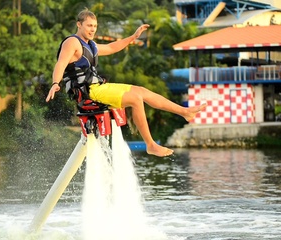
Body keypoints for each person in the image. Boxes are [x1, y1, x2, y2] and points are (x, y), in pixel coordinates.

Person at [46, 8, 206, 157]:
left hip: (98, 87)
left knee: (141, 91)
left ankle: (184, 112)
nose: (93, 29)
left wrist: (133, 37)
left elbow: (111, 47)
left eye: (95, 26)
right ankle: (150, 144)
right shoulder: (72, 42)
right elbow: (60, 63)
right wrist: (55, 83)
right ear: (79, 25)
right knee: (136, 99)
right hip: (87, 92)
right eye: (89, 25)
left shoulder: (91, 45)